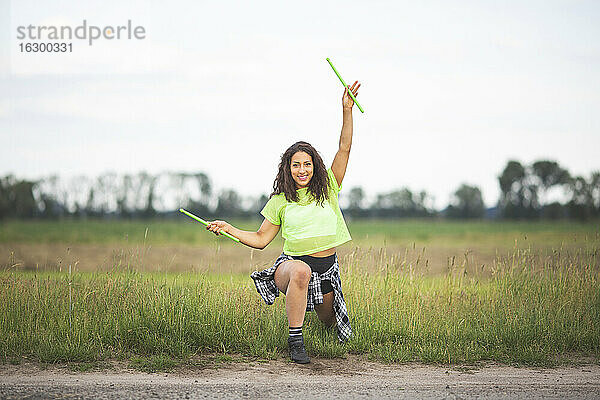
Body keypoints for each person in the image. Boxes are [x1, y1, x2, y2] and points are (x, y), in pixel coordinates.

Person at [206, 81, 361, 363]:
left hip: (327, 269)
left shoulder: (329, 187)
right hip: (291, 266)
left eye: (307, 164)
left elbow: (344, 148)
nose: (302, 170)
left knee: (330, 326)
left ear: (315, 167)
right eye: (296, 165)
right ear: (288, 169)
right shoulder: (280, 199)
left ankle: (315, 325)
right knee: (301, 272)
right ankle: (295, 341)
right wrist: (228, 228)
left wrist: (346, 109)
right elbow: (261, 239)